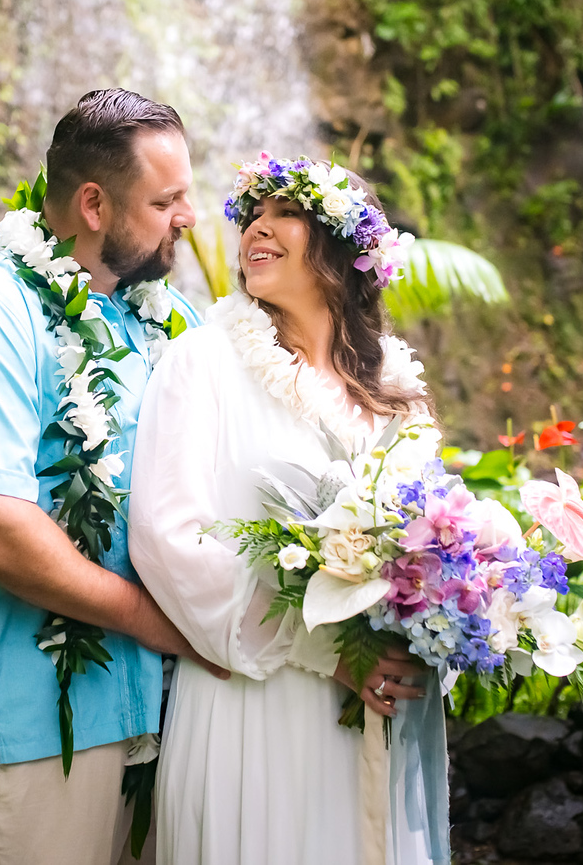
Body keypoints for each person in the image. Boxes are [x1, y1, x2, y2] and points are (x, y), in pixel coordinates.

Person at [0, 89, 229, 865]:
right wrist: (163, 625)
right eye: (165, 200)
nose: (188, 217)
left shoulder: (168, 319)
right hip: (43, 714)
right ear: (92, 203)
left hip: (178, 707)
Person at [128, 156, 444, 865]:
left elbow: (432, 537)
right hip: (257, 696)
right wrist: (324, 648)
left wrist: (445, 621)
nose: (256, 231)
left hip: (384, 697)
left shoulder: (396, 389)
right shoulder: (202, 364)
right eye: (252, 217)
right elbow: (165, 538)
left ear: (344, 245)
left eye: (285, 215)